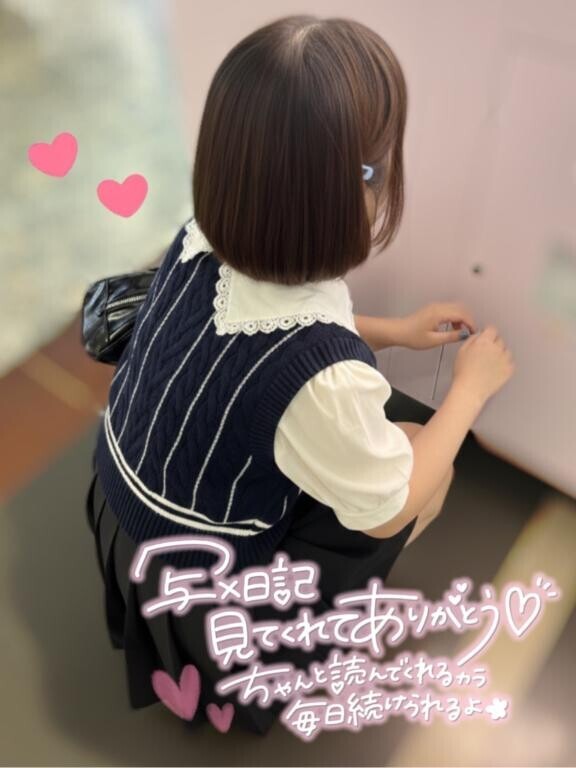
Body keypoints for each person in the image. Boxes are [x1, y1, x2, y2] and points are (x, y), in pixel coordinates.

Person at [85, 14, 515, 736]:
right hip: (202, 599)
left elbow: (267, 333)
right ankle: (293, 644)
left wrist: (396, 331)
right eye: (372, 170)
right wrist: (468, 392)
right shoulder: (322, 383)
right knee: (422, 457)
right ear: (348, 198)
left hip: (128, 514)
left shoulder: (199, 239)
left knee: (357, 442)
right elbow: (386, 506)